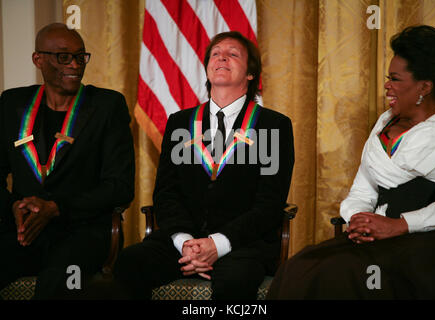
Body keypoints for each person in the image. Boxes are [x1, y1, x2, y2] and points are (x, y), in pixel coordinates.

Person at [267, 25, 435, 300]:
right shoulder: (383, 124)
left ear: (424, 87)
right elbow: (363, 191)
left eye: (396, 79)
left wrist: (399, 225)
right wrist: (359, 220)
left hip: (426, 244)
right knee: (300, 265)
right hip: (375, 239)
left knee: (343, 275)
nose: (387, 85)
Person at [114, 31, 295, 300]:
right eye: (216, 53)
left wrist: (217, 244)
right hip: (182, 240)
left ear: (250, 74)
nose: (222, 57)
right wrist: (185, 242)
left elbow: (269, 204)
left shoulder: (273, 125)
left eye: (233, 54)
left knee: (234, 283)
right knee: (129, 263)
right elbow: (166, 193)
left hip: (242, 244)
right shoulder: (180, 123)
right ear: (208, 69)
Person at [0, 23, 135, 299]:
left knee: (62, 281)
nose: (74, 64)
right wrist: (13, 205)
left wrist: (57, 207)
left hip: (84, 231)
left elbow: (120, 186)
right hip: (26, 228)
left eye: (80, 56)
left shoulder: (107, 106)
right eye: (63, 56)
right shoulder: (12, 104)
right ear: (38, 59)